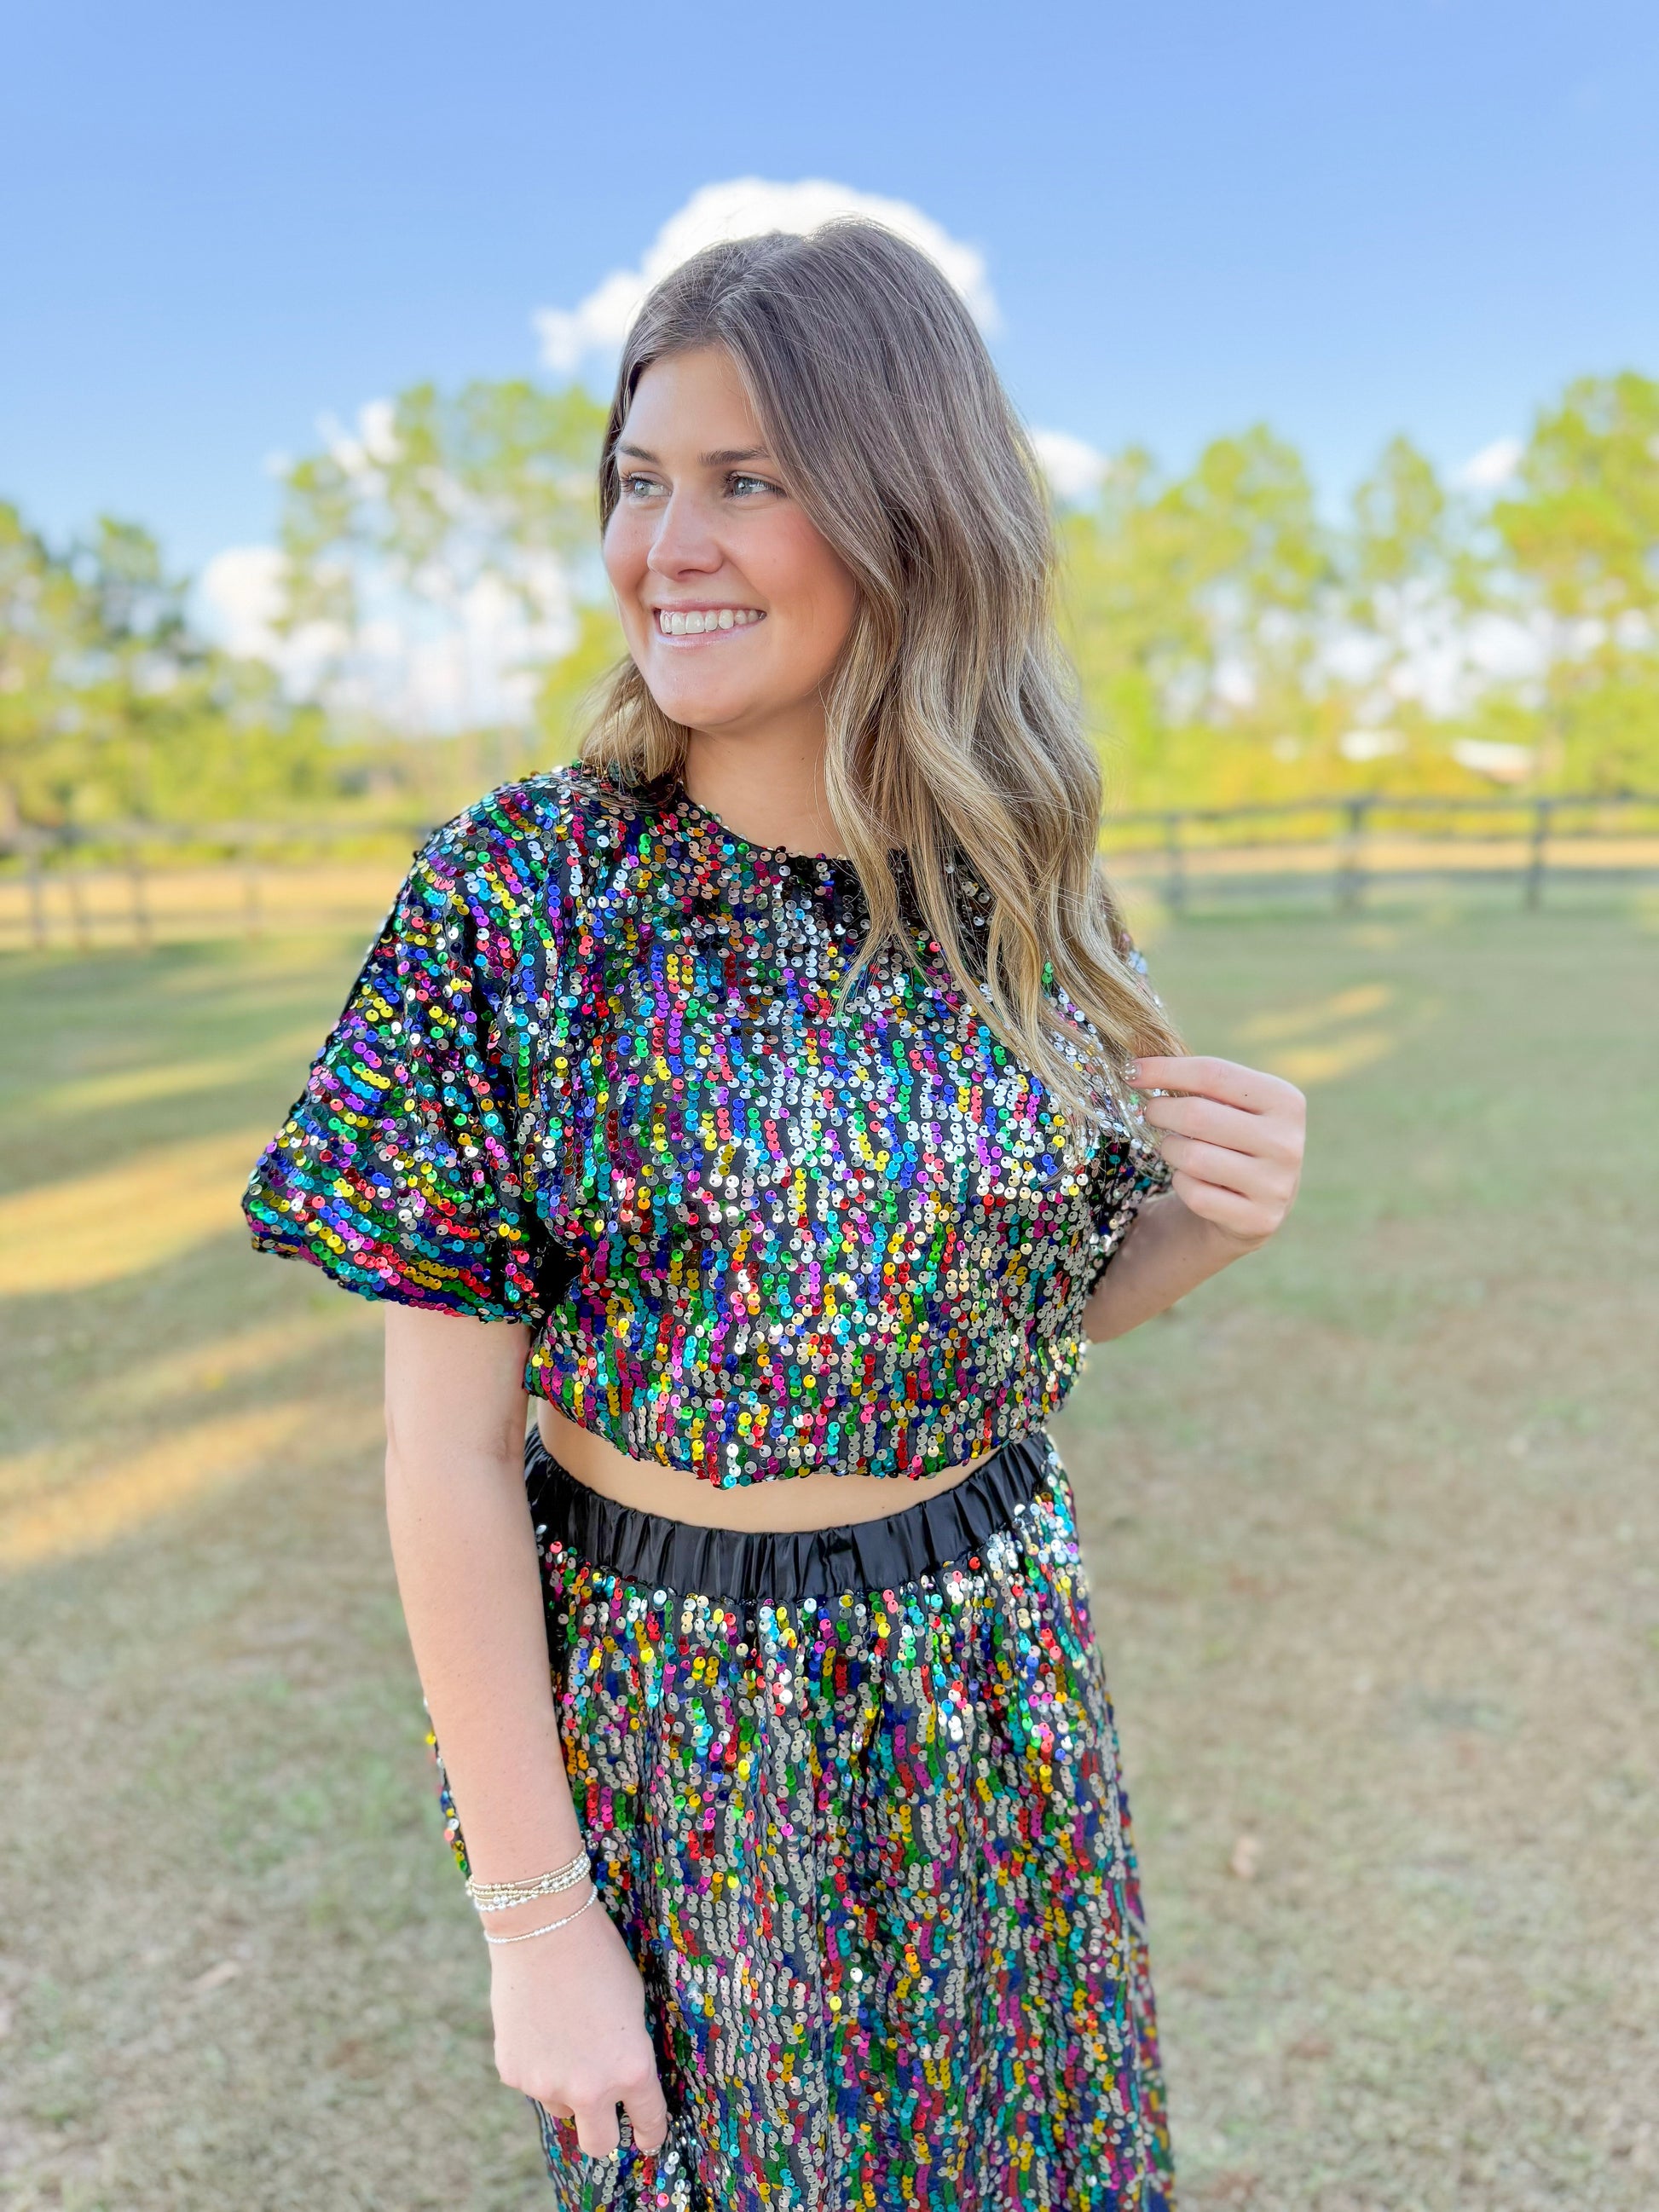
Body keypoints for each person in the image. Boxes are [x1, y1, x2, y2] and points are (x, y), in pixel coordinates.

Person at [244, 220, 1304, 2211]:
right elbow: (443, 1454)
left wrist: (1202, 1229)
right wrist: (535, 1916)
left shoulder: (1017, 888)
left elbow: (1020, 1306)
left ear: (911, 511)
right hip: (675, 1707)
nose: (668, 544)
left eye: (746, 481)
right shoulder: (522, 896)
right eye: (640, 479)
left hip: (989, 1661)